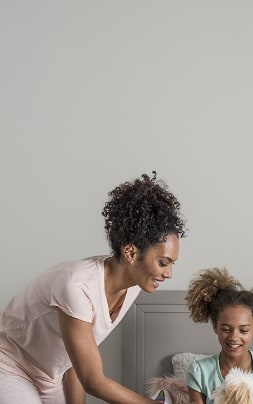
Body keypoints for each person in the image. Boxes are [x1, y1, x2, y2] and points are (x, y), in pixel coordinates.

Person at [0, 172, 187, 404]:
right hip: (9, 367)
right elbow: (93, 381)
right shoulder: (77, 286)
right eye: (163, 263)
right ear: (131, 252)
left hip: (51, 378)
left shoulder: (133, 287)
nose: (169, 274)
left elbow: (75, 364)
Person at [184, 268, 253, 404]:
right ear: (215, 327)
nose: (234, 337)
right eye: (226, 329)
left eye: (244, 330)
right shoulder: (199, 371)